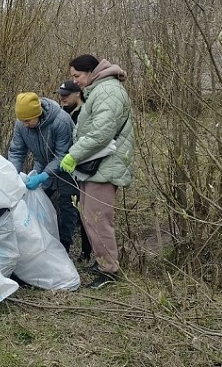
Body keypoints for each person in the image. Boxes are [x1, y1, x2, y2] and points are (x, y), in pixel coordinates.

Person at [59, 54, 135, 290]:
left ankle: (109, 270)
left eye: (77, 76)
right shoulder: (99, 90)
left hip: (105, 165)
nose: (75, 81)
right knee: (89, 216)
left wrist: (74, 154)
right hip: (95, 165)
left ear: (91, 72)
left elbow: (101, 133)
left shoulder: (108, 92)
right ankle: (102, 261)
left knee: (98, 219)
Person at [7, 92, 79, 254]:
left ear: (38, 114)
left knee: (68, 207)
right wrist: (13, 173)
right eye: (22, 120)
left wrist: (44, 175)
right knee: (38, 203)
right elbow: (17, 151)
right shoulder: (21, 125)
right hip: (42, 165)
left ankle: (65, 246)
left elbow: (63, 155)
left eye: (28, 120)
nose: (25, 124)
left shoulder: (61, 121)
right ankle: (40, 241)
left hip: (67, 169)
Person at [57, 79, 92, 262]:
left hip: (84, 168)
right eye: (60, 95)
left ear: (77, 93)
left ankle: (87, 252)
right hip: (65, 169)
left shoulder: (85, 113)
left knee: (84, 211)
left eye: (66, 95)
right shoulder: (60, 113)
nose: (62, 99)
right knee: (70, 209)